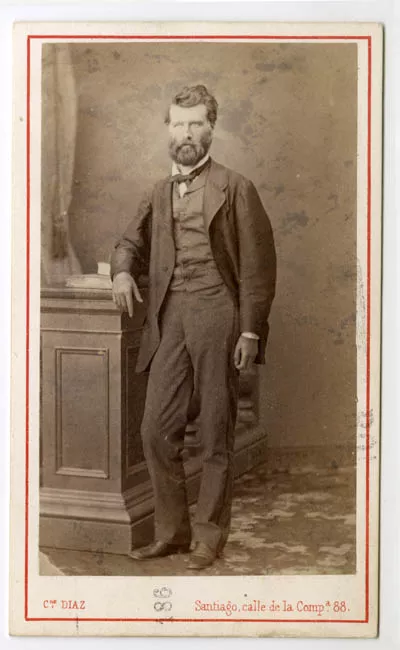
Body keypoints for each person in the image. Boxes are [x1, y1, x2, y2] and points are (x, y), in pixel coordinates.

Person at [111, 84, 276, 570]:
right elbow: (128, 242)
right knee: (155, 430)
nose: (186, 133)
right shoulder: (157, 192)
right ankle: (173, 533)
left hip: (219, 312)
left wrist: (250, 331)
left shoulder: (236, 187)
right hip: (170, 317)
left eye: (195, 124)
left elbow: (258, 267)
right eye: (179, 124)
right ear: (169, 129)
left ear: (211, 129)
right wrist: (122, 271)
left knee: (215, 429)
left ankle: (209, 537)